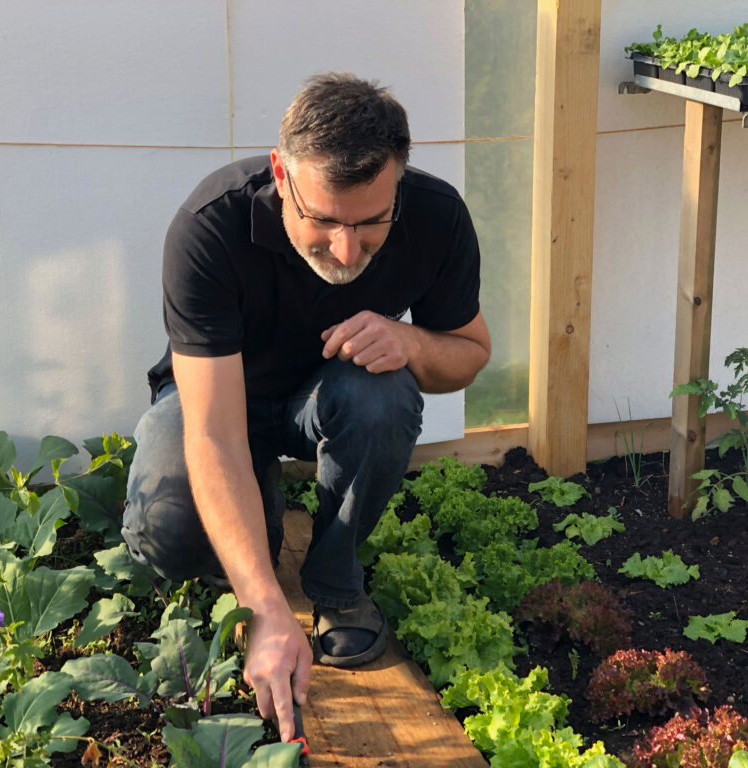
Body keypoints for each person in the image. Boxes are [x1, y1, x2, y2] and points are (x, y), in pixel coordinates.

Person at [121, 72, 490, 742]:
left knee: (385, 389)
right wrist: (261, 600)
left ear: (399, 182)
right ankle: (253, 542)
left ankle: (335, 581)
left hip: (327, 398)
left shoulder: (437, 218)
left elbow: (468, 352)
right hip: (215, 403)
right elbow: (212, 432)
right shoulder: (211, 228)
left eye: (372, 221)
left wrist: (408, 338)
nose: (346, 251)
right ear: (280, 174)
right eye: (322, 220)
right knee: (166, 536)